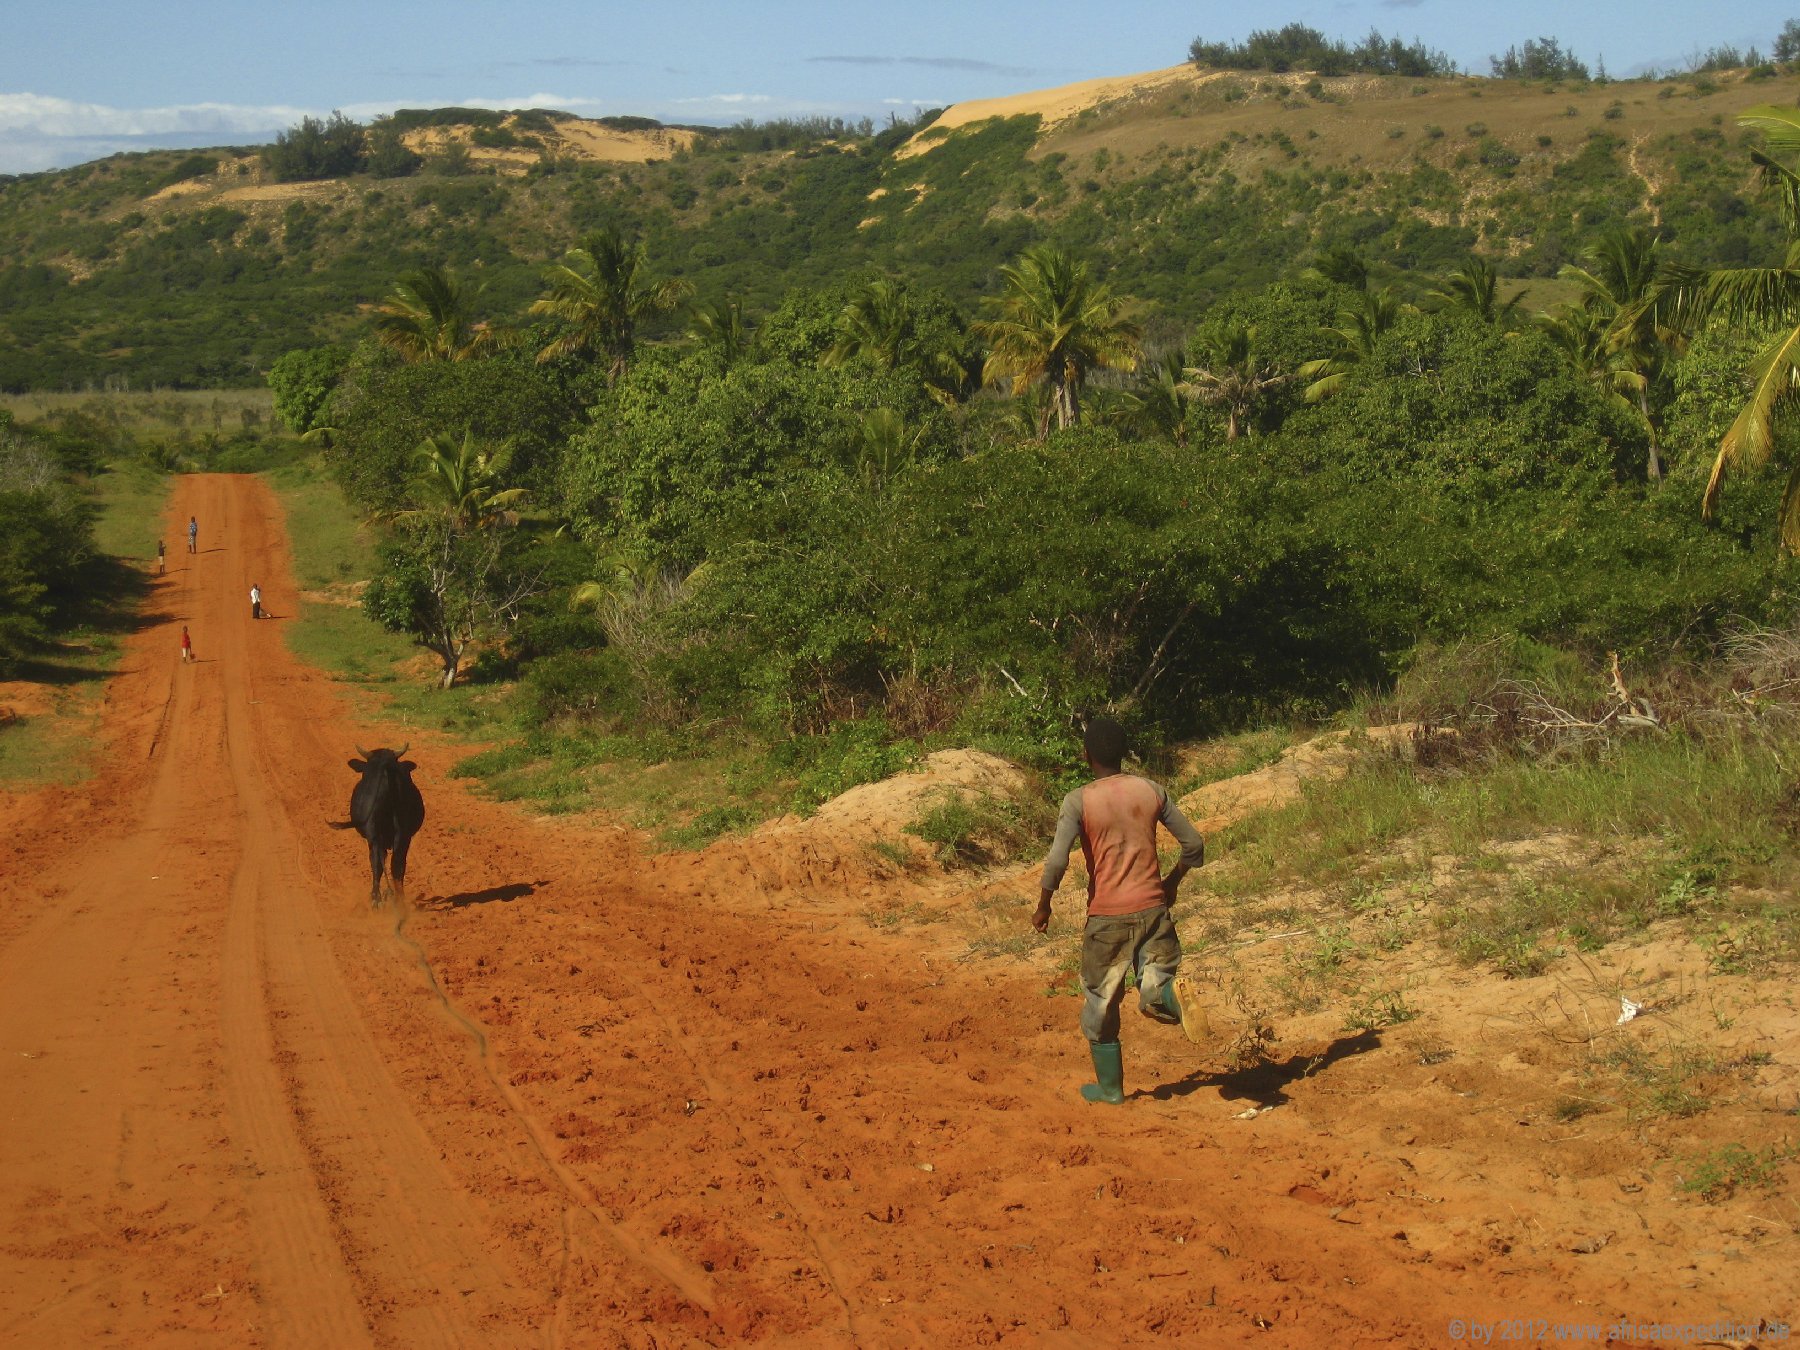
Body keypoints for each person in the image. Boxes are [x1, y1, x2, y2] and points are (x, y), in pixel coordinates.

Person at [1033, 716, 1209, 1105]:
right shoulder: (1151, 791)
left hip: (1107, 919)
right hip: (1153, 910)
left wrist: (1044, 905)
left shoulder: (1078, 800)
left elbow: (1057, 861)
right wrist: (1172, 882)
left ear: (1087, 755)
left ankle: (1111, 1090)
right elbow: (1193, 844)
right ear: (1124, 752)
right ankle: (1171, 997)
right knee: (1155, 979)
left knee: (1101, 998)